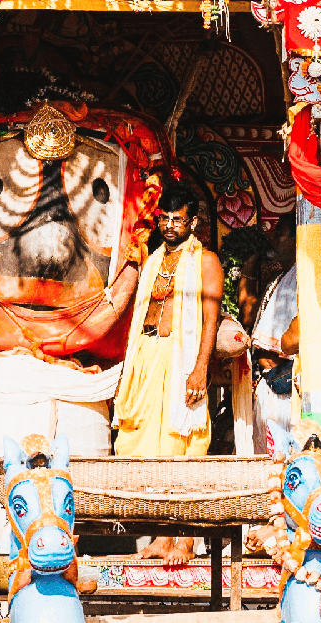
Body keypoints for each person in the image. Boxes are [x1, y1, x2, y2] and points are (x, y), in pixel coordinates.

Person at [113, 181, 224, 565]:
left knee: (181, 445)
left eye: (179, 219)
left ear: (193, 222)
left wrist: (199, 368)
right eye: (165, 219)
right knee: (142, 444)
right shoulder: (152, 260)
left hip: (181, 359)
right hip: (146, 354)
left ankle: (186, 539)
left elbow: (211, 319)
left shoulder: (206, 260)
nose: (171, 225)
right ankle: (161, 534)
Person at [244, 214, 298, 454]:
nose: (274, 240)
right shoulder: (279, 280)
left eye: (280, 234)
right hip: (269, 387)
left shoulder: (304, 276)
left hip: (288, 390)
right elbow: (248, 317)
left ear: (298, 239)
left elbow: (291, 342)